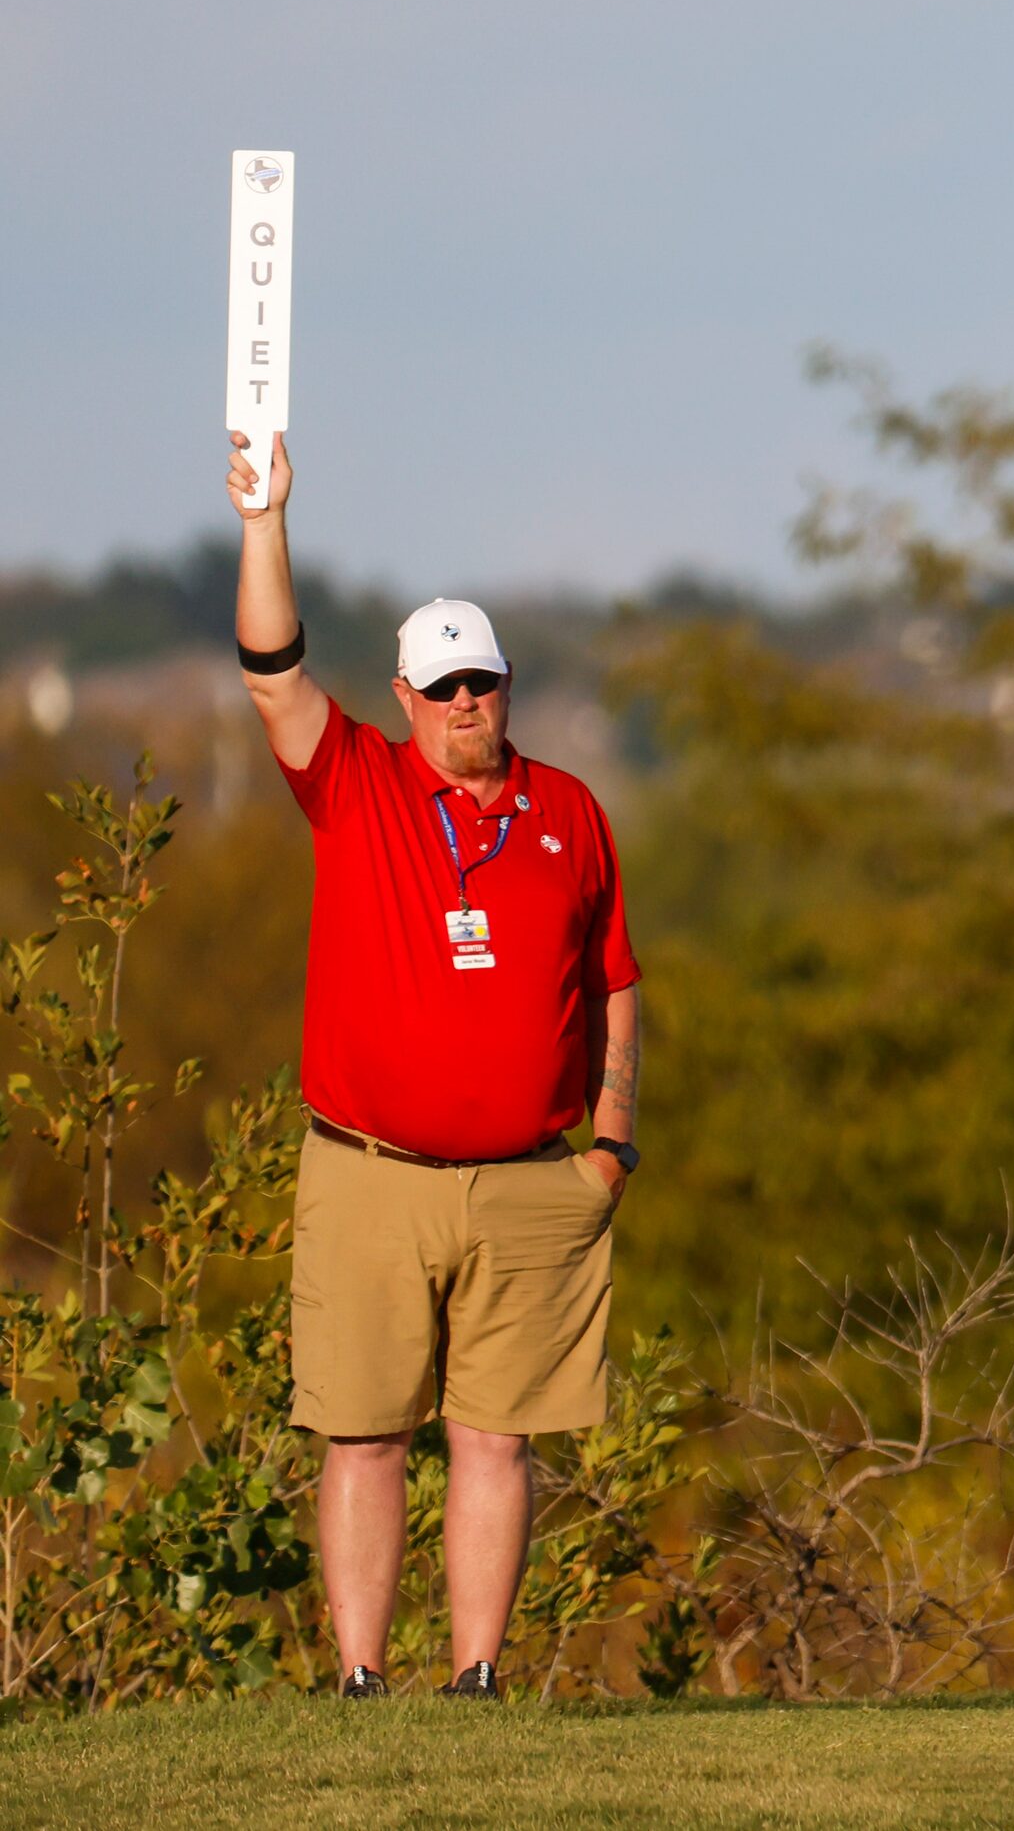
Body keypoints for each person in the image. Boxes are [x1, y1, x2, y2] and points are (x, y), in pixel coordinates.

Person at [227, 428, 644, 1700]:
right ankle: (360, 1679)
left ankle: (475, 1680)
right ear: (406, 699)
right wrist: (266, 520)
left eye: (486, 685)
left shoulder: (568, 811)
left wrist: (612, 1149)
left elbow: (618, 985)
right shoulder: (356, 783)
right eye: (446, 688)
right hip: (373, 1171)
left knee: (495, 1439)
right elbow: (269, 670)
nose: (469, 706)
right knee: (362, 1436)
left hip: (530, 1180)